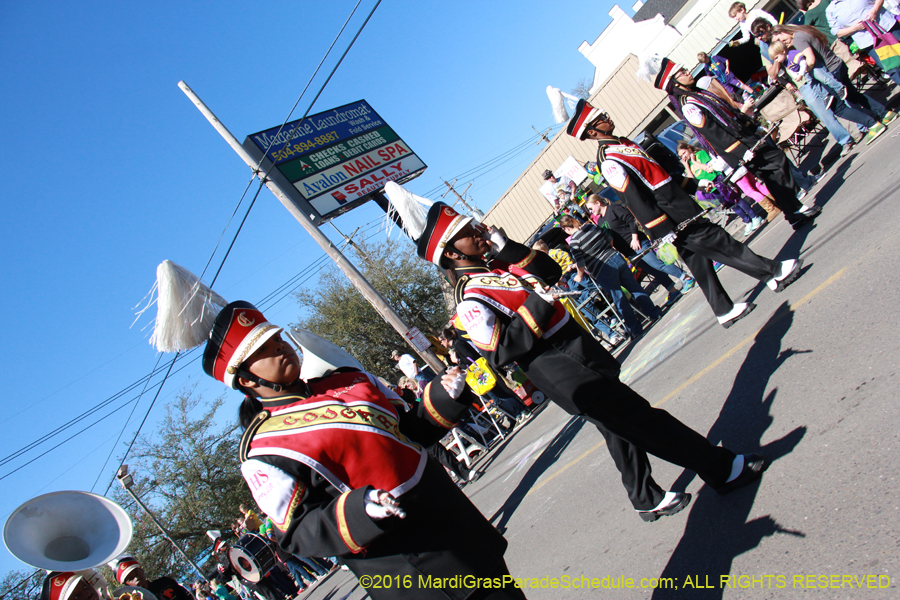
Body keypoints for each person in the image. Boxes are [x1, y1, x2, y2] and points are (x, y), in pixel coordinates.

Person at [383, 182, 772, 523]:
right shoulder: (470, 296)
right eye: (470, 233)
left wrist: (507, 248)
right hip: (562, 369)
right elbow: (500, 348)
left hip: (577, 353)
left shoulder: (494, 269)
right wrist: (536, 304)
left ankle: (645, 497)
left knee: (619, 426)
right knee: (643, 420)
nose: (479, 232)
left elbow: (549, 272)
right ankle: (721, 469)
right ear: (452, 253)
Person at [166, 296, 528, 600]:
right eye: (264, 350)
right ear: (245, 379)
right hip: (409, 565)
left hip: (457, 523)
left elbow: (409, 433)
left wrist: (445, 396)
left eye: (276, 339)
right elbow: (297, 532)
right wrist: (360, 509)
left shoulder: (350, 380)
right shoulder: (262, 448)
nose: (279, 347)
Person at [566, 98, 805, 327]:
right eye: (600, 119)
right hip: (670, 214)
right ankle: (773, 272)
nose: (607, 118)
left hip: (676, 203)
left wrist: (693, 184)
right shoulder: (608, 159)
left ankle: (724, 310)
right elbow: (634, 197)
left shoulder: (622, 143)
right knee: (719, 240)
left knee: (698, 261)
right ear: (592, 131)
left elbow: (661, 176)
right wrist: (661, 228)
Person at [641, 54, 824, 232]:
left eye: (685, 69)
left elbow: (729, 115)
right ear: (675, 83)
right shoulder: (688, 104)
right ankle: (795, 209)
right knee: (777, 163)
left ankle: (794, 212)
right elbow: (713, 133)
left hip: (745, 137)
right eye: (682, 72)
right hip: (739, 146)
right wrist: (739, 152)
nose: (688, 72)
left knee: (773, 172)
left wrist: (752, 127)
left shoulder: (698, 93)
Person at [558, 215, 663, 339]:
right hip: (616, 258)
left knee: (619, 299)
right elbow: (609, 239)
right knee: (634, 288)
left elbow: (580, 262)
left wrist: (579, 276)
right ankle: (654, 312)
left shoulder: (574, 242)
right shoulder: (592, 227)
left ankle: (635, 328)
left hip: (603, 270)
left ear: (566, 228)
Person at [676, 142, 766, 235]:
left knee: (736, 199)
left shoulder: (700, 154)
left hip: (717, 180)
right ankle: (747, 220)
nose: (684, 156)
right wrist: (687, 166)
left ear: (689, 148)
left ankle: (754, 216)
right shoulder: (688, 166)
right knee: (730, 205)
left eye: (684, 153)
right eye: (681, 156)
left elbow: (708, 168)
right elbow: (693, 180)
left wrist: (694, 162)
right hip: (709, 187)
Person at [827, 0, 900, 85]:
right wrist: (854, 28)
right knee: (892, 68)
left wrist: (874, 11)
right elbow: (837, 32)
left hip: (888, 26)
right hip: (869, 42)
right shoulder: (831, 10)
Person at [108, 555, 193, 600]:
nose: (136, 578)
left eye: (137, 573)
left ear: (142, 571)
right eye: (130, 579)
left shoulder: (165, 583)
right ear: (126, 585)